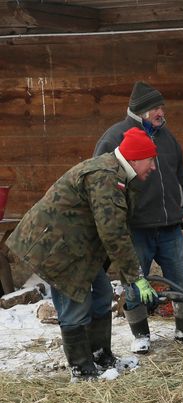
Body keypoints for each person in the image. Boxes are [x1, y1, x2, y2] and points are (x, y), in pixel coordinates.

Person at [6, 128, 160, 381]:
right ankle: (81, 369)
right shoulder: (105, 177)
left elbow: (112, 227)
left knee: (101, 293)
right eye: (151, 160)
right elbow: (113, 232)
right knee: (75, 305)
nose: (153, 166)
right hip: (56, 250)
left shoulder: (117, 173)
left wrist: (129, 273)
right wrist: (135, 276)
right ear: (135, 158)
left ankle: (100, 355)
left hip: (78, 248)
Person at [92, 81, 183, 353]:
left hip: (169, 227)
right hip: (136, 228)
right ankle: (141, 335)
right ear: (141, 111)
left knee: (180, 278)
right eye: (155, 108)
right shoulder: (114, 137)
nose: (160, 112)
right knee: (134, 282)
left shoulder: (168, 138)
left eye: (161, 106)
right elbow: (99, 178)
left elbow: (181, 177)